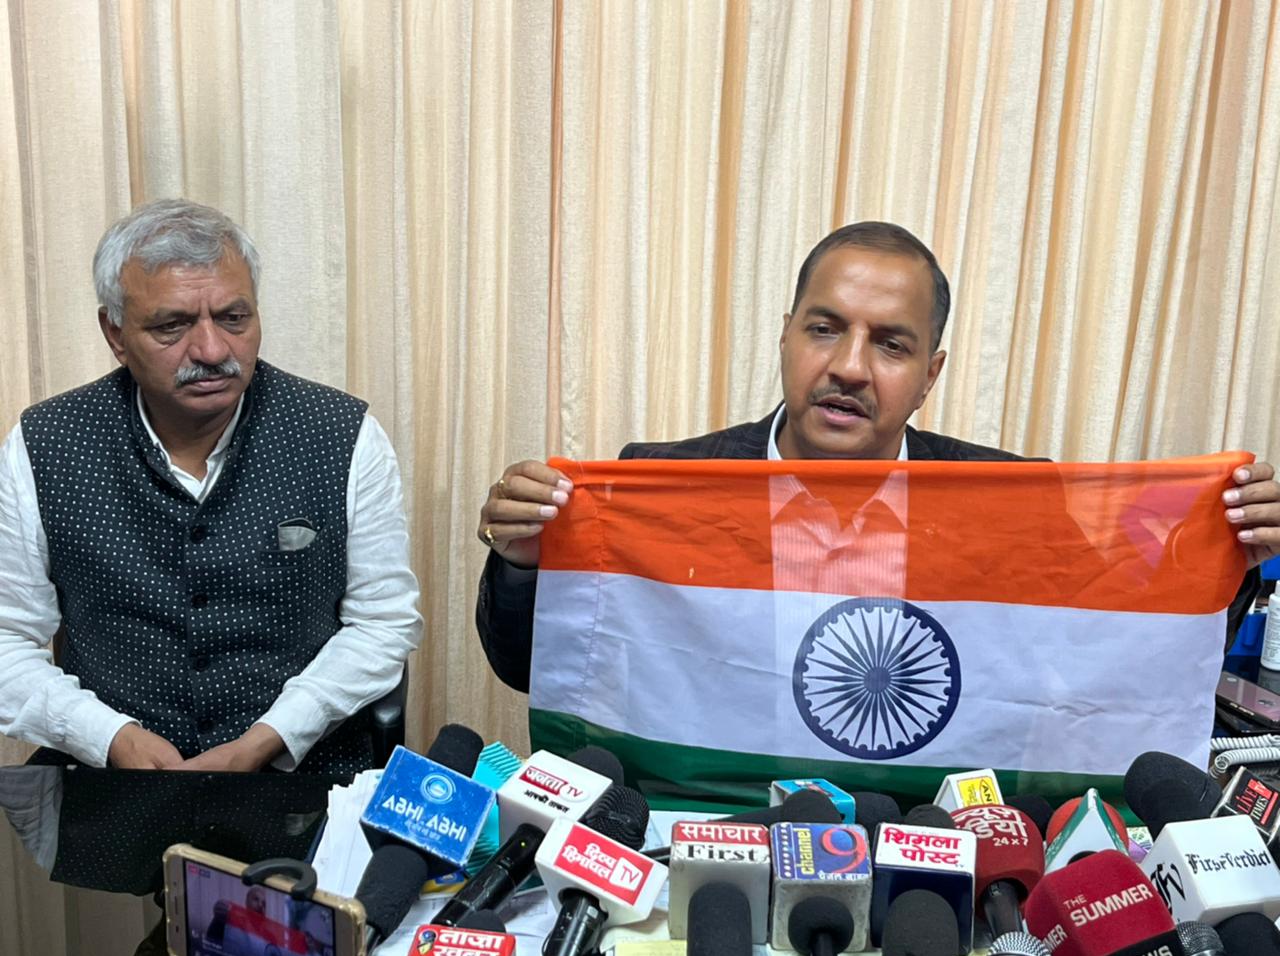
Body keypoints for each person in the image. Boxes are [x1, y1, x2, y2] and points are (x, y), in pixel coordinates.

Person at [474, 221, 1279, 692]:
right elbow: (535, 669)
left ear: (930, 374)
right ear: (786, 337)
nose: (850, 367)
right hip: (708, 827)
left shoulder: (1009, 499)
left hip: (915, 840)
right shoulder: (657, 482)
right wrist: (524, 564)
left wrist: (1224, 558)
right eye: (825, 329)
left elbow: (1108, 670)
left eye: (891, 344)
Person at [0, 199, 421, 776]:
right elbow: (7, 639)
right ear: (115, 334)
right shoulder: (45, 444)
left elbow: (383, 622)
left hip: (301, 774)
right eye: (172, 326)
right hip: (111, 777)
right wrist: (109, 736)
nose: (212, 351)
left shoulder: (341, 434)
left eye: (233, 318)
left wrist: (270, 737)